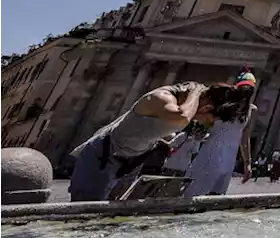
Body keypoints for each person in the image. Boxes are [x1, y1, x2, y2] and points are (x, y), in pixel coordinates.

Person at [68, 81, 219, 201]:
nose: (202, 122)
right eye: (207, 119)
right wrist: (196, 93)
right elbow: (182, 117)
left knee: (114, 211)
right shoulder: (162, 97)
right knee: (85, 211)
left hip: (131, 162)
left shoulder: (173, 112)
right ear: (205, 107)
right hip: (104, 157)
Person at [182, 71, 256, 198]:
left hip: (217, 156)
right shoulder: (239, 110)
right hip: (221, 158)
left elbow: (244, 138)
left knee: (200, 195)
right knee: (209, 196)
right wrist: (247, 163)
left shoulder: (230, 108)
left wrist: (247, 163)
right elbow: (244, 139)